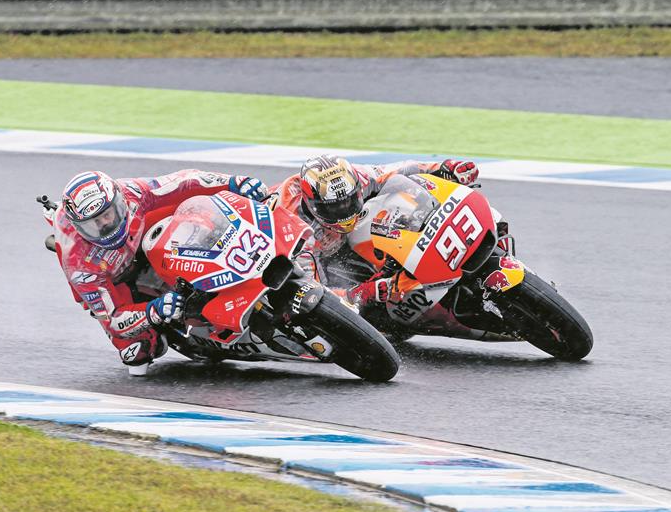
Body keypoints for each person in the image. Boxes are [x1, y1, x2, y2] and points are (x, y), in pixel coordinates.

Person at [51, 169, 268, 375]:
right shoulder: (78, 262)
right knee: (138, 351)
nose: (106, 226)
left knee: (193, 209)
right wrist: (153, 311)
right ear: (80, 228)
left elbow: (184, 181)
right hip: (113, 277)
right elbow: (115, 319)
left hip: (138, 232)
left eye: (108, 215)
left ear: (119, 202)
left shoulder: (132, 192)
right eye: (94, 224)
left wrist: (234, 182)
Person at [272, 154, 480, 306]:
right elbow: (309, 293)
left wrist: (443, 167)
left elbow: (400, 170)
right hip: (314, 258)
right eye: (334, 207)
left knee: (385, 203)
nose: (345, 212)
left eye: (350, 201)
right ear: (312, 203)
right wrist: (366, 292)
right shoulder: (296, 229)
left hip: (339, 239)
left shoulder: (359, 178)